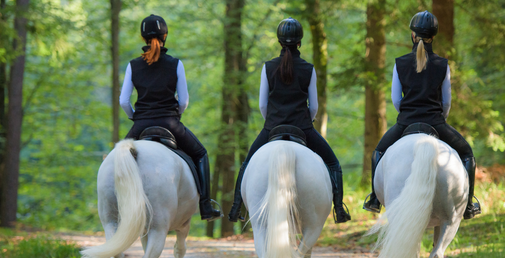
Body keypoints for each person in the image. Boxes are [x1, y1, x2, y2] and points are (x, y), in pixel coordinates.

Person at [228, 17, 352, 224]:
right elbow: (313, 107)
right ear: (299, 42)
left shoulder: (267, 67)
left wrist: (272, 122)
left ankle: (235, 209)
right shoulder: (308, 69)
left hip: (272, 127)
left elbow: (262, 105)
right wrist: (306, 122)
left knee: (247, 164)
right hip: (302, 127)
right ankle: (339, 209)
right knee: (333, 163)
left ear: (279, 41)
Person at [362, 10, 481, 219]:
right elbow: (446, 102)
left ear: (413, 35)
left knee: (378, 153)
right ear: (432, 37)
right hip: (436, 122)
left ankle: (374, 198)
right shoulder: (442, 65)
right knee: (467, 153)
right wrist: (440, 118)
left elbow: (396, 100)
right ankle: (469, 204)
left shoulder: (400, 63)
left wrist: (408, 114)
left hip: (406, 122)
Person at [119, 14, 222, 221]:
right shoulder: (176, 64)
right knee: (201, 153)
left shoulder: (133, 65)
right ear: (165, 36)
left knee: (116, 159)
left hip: (141, 125)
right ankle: (205, 206)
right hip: (170, 123)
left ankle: (117, 209)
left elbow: (123, 101)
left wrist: (136, 118)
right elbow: (183, 101)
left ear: (143, 38)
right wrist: (176, 115)